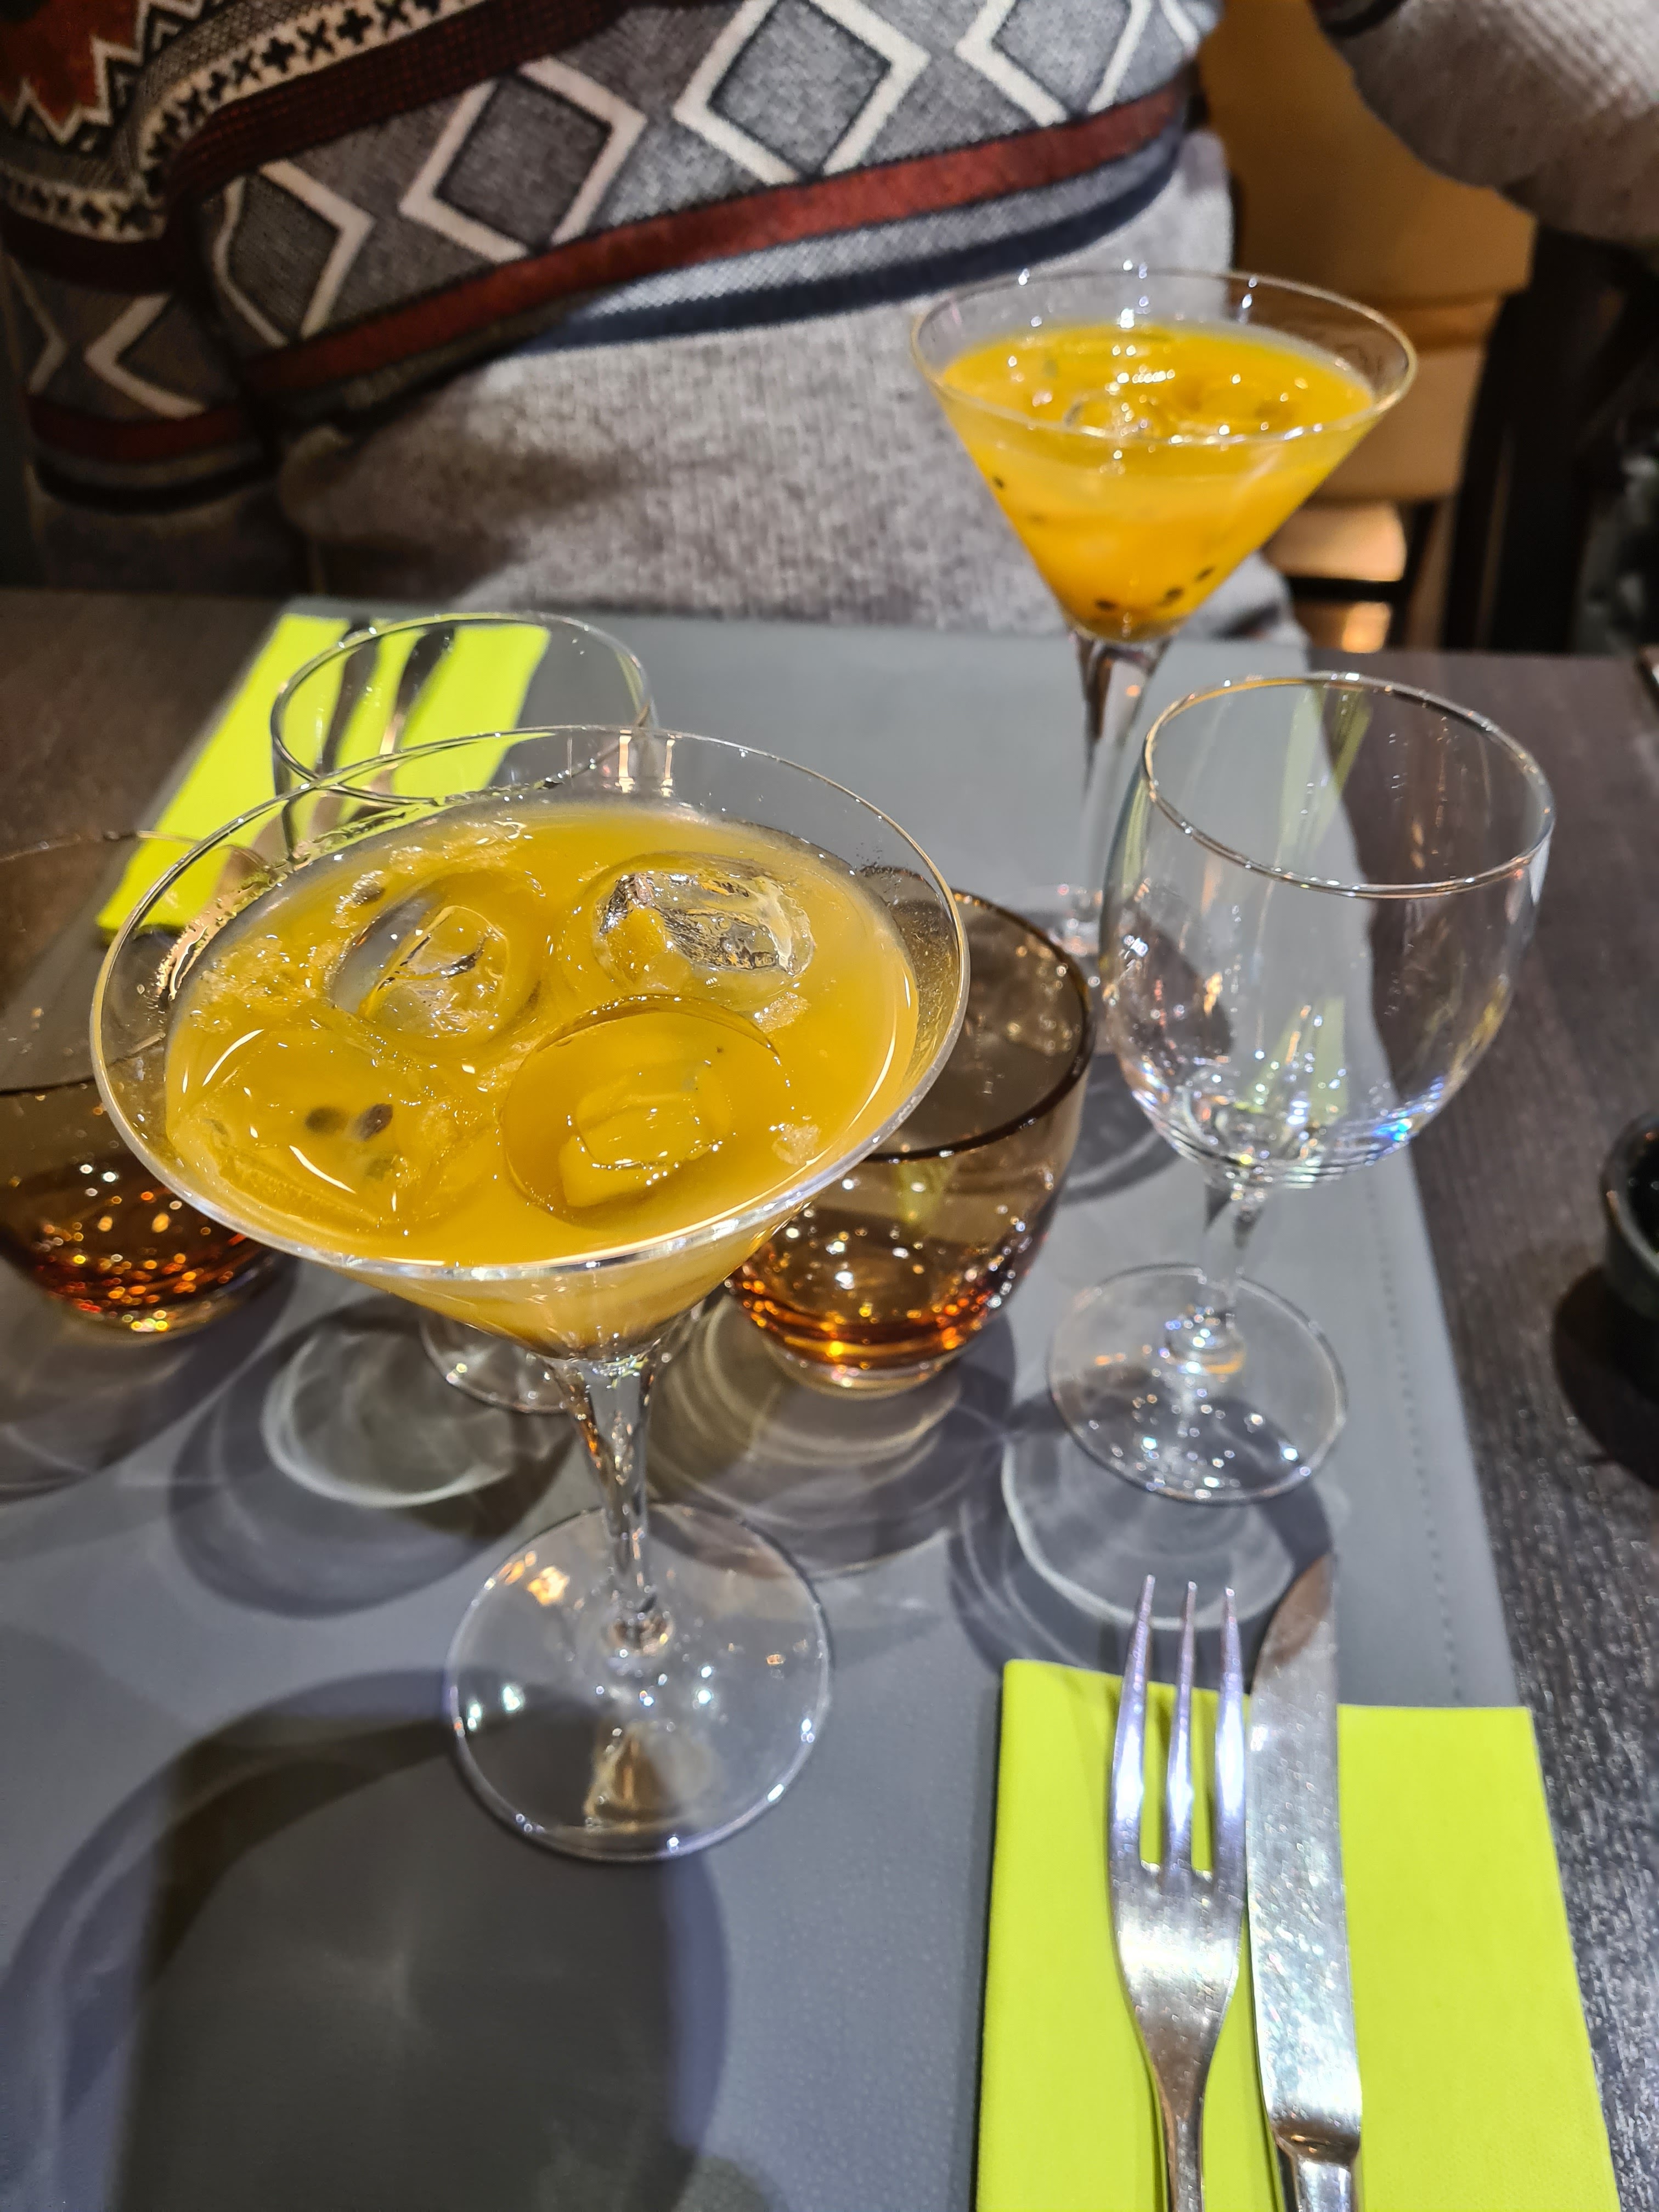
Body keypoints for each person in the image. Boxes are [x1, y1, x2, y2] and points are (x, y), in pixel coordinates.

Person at [1, 0, 1655, 620]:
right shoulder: (99, 41)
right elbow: (151, 631)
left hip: (1161, 738)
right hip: (519, 852)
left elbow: (1603, 94)